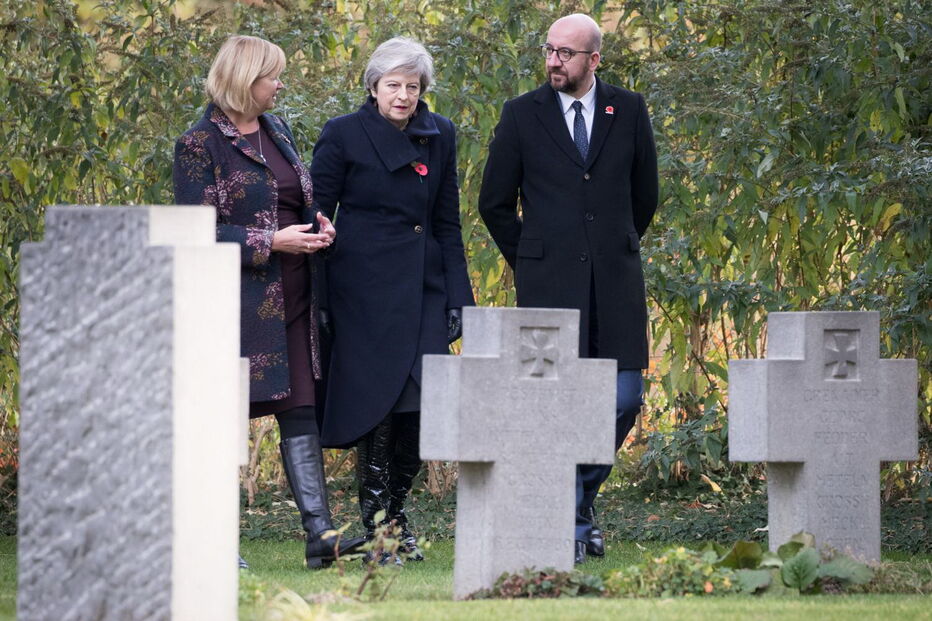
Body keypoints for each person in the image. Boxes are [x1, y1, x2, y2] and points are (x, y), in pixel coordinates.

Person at [172, 34, 363, 570]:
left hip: (295, 296)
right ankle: (213, 546)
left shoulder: (276, 129)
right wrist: (270, 242)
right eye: (272, 76)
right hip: (234, 306)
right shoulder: (198, 144)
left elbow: (295, 197)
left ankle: (320, 536)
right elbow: (195, 231)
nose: (280, 84)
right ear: (244, 79)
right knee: (220, 422)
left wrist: (317, 223)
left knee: (300, 411)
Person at [478, 14, 659, 564]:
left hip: (617, 282)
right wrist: (532, 259)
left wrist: (612, 247)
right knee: (556, 405)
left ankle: (576, 501)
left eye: (567, 53)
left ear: (594, 60)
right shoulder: (520, 114)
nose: (554, 61)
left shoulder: (627, 110)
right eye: (550, 50)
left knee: (624, 397)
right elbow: (494, 202)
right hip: (548, 285)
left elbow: (643, 195)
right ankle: (575, 518)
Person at [310, 37, 474, 561]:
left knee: (425, 408)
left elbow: (448, 220)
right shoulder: (342, 134)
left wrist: (458, 297)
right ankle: (383, 526)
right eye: (392, 85)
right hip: (363, 291)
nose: (402, 96)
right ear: (374, 87)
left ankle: (393, 514)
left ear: (422, 89)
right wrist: (319, 298)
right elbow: (317, 218)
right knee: (378, 407)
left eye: (411, 86)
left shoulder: (440, 133)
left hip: (423, 289)